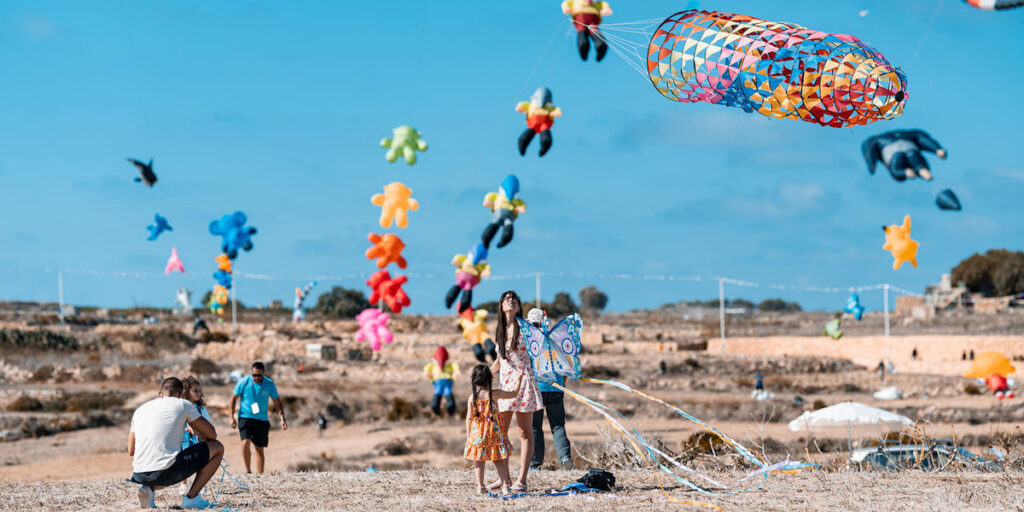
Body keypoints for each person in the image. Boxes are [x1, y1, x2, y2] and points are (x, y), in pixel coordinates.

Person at [129, 377, 223, 510]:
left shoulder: (139, 410)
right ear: (180, 394)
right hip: (165, 473)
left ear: (160, 393)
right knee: (217, 447)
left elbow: (130, 450)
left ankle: (148, 489)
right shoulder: (183, 404)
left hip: (139, 474)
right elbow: (212, 435)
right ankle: (192, 498)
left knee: (160, 465)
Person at [488, 291, 543, 492]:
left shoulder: (526, 327)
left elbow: (540, 341)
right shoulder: (500, 330)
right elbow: (499, 361)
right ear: (501, 305)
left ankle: (522, 479)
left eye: (514, 299)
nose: (510, 301)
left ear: (519, 307)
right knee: (500, 432)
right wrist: (485, 374)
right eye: (506, 298)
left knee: (524, 431)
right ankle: (504, 478)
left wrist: (538, 324)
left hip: (524, 382)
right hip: (505, 385)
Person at [525, 308, 574, 471]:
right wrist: (562, 385)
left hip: (536, 388)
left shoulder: (529, 340)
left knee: (535, 427)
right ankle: (565, 459)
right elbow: (567, 364)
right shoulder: (557, 339)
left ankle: (535, 463)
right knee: (558, 425)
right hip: (556, 387)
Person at [465, 365, 524, 495]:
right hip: (493, 433)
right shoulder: (495, 394)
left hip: (478, 434)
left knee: (479, 462)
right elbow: (514, 393)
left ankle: (480, 486)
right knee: (498, 460)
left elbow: (469, 419)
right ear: (490, 379)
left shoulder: (472, 398)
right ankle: (505, 486)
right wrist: (519, 379)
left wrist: (469, 436)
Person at [229, 362, 287, 474]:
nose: (256, 377)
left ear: (263, 373)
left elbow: (277, 402)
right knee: (245, 442)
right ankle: (248, 470)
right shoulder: (243, 382)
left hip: (261, 420)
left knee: (259, 449)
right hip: (245, 417)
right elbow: (233, 398)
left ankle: (260, 476)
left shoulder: (269, 384)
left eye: (259, 375)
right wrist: (231, 417)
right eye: (254, 375)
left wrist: (282, 418)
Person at [179, 377, 213, 497]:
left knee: (201, 462)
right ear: (186, 392)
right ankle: (184, 484)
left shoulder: (200, 408)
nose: (199, 393)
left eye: (199, 390)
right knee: (184, 462)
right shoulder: (181, 406)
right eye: (195, 391)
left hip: (198, 439)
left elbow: (207, 423)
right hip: (184, 439)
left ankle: (201, 485)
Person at [424, 346, 460, 418]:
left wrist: (430, 376)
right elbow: (456, 370)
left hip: (439, 384)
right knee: (446, 395)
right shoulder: (433, 366)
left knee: (439, 396)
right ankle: (447, 412)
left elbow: (426, 372)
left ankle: (440, 412)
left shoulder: (433, 366)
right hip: (446, 383)